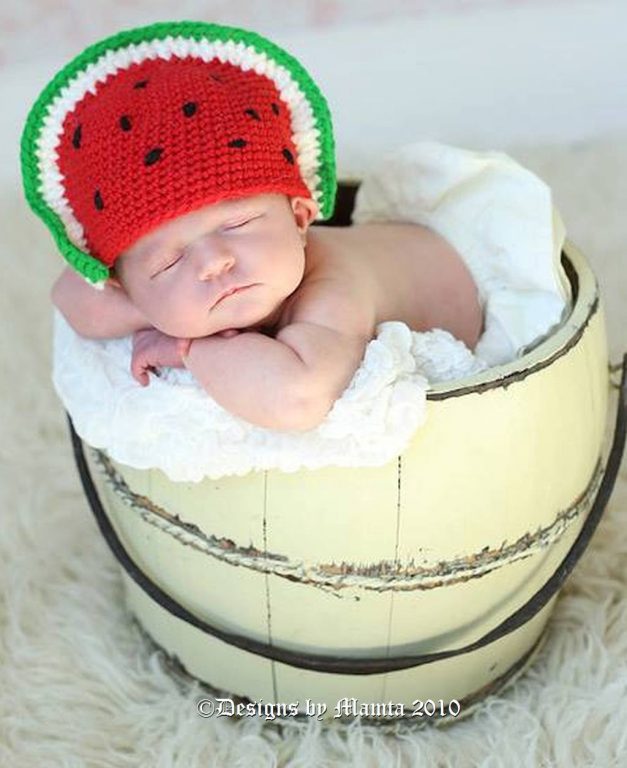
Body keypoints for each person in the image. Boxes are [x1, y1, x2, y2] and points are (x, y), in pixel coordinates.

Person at [23, 21, 483, 432]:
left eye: (237, 223)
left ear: (301, 216)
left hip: (470, 282)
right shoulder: (172, 284)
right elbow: (70, 298)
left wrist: (184, 345)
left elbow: (298, 398)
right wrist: (162, 306)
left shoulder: (334, 287)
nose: (213, 262)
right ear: (120, 284)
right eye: (169, 260)